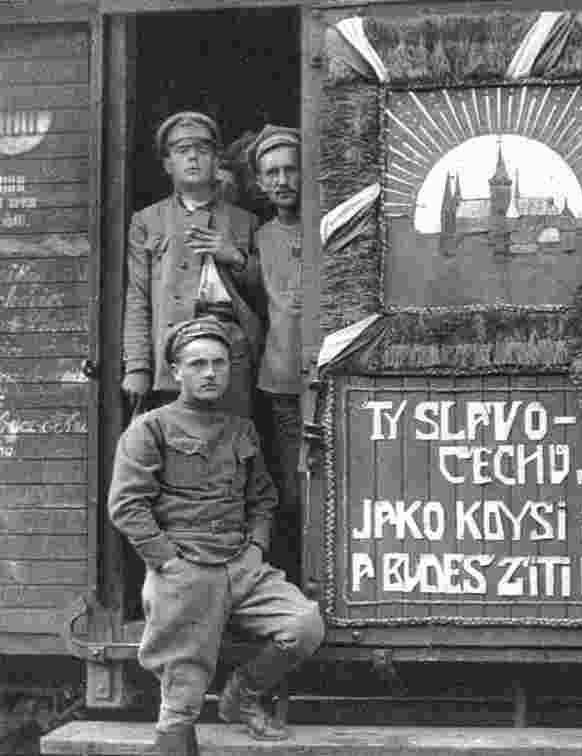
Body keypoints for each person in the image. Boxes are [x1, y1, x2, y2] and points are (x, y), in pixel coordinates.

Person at [108, 317, 324, 755]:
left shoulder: (240, 429)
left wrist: (256, 549)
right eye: (198, 363)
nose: (210, 373)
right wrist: (168, 561)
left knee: (303, 626)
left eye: (219, 364)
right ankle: (173, 740)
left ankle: (241, 695)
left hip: (241, 565)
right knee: (184, 674)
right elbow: (127, 506)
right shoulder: (150, 429)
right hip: (183, 564)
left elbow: (262, 499)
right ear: (176, 370)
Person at [122, 111, 265, 418]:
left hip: (231, 348)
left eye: (202, 150)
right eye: (182, 150)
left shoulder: (246, 221)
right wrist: (137, 367)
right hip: (173, 348)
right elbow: (137, 298)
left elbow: (270, 294)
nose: (193, 158)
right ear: (167, 163)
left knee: (231, 441)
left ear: (216, 160)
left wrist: (237, 259)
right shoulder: (147, 221)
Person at [248, 125, 303, 583]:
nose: (283, 180)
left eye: (291, 170)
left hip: (332, 372)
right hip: (283, 378)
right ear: (261, 184)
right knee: (293, 485)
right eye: (272, 173)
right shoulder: (261, 237)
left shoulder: (329, 224)